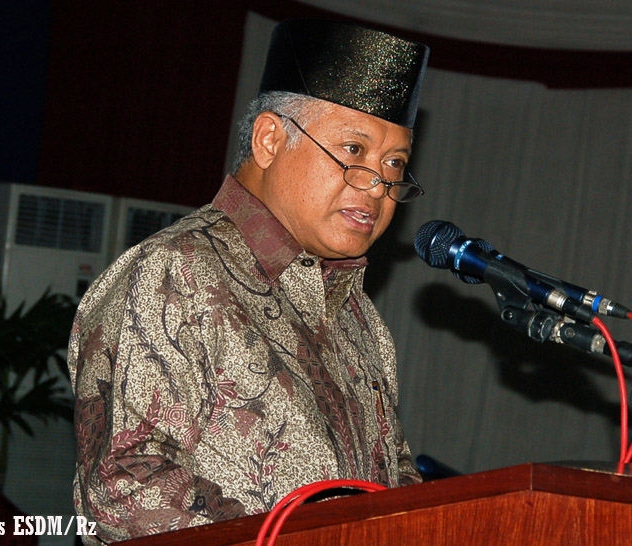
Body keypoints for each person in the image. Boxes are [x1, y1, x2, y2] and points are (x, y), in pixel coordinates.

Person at [67, 18, 430, 543]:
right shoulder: (177, 270)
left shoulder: (360, 318)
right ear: (269, 140)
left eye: (394, 164)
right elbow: (124, 483)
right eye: (354, 151)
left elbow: (392, 483)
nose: (377, 186)